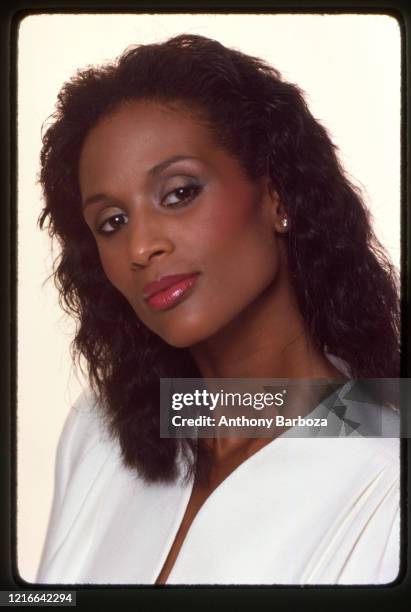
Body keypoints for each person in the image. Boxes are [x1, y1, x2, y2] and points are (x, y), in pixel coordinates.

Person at [35, 34, 400, 585]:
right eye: (112, 222)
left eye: (179, 193)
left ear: (277, 197)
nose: (140, 248)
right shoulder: (98, 434)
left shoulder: (386, 472)